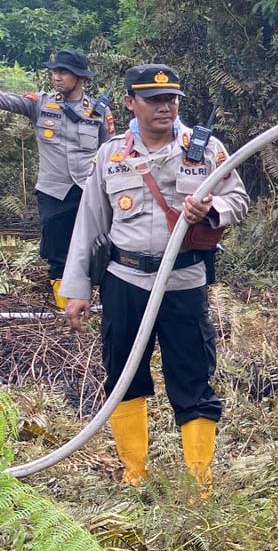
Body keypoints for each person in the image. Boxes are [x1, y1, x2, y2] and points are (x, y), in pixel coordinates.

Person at [62, 64, 248, 493]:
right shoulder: (111, 156)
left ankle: (200, 481)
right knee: (125, 377)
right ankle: (135, 476)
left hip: (183, 282)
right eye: (154, 99)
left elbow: (239, 197)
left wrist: (213, 209)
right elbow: (89, 225)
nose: (167, 107)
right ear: (130, 102)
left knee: (194, 377)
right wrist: (76, 290)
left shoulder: (204, 149)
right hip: (125, 280)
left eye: (173, 99)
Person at [0, 49, 112, 308]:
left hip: (88, 188)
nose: (56, 77)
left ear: (80, 77)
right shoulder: (40, 103)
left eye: (63, 72)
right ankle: (63, 305)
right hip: (54, 190)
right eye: (54, 72)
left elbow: (110, 151)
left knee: (97, 243)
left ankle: (95, 295)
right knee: (55, 248)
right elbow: (8, 100)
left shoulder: (99, 112)